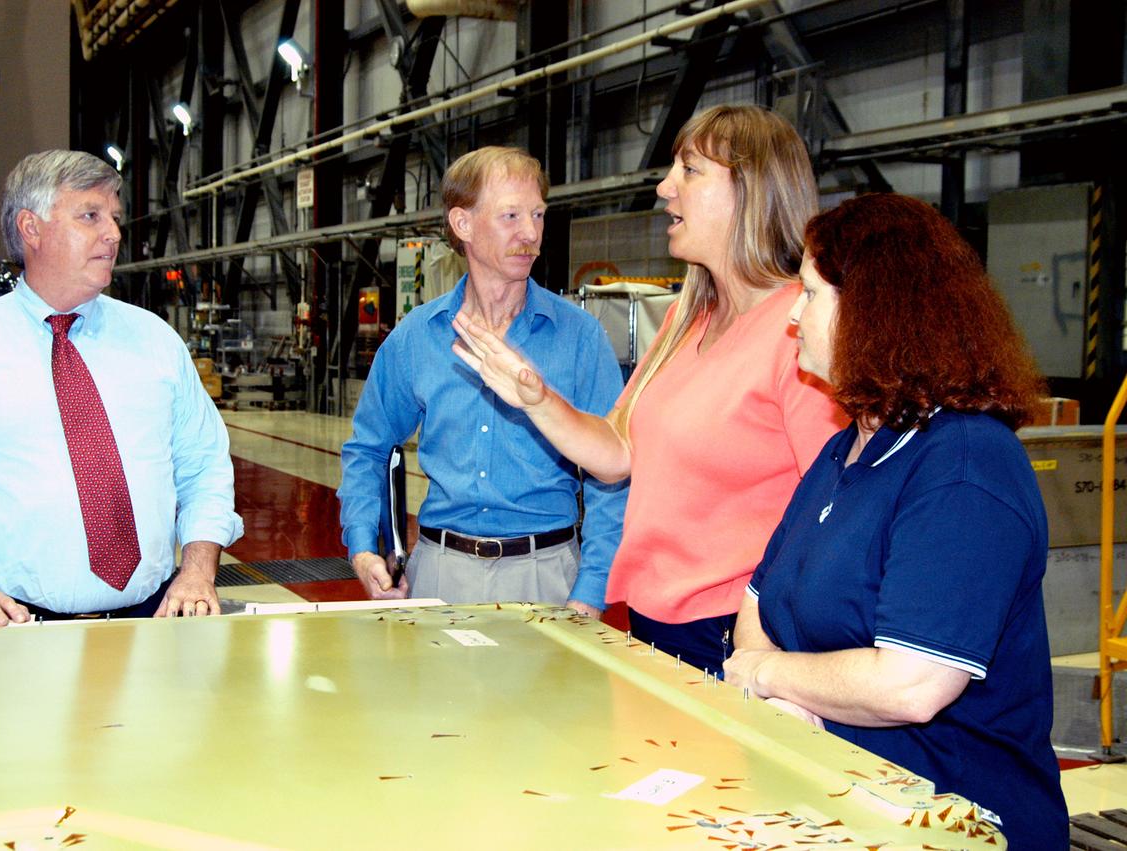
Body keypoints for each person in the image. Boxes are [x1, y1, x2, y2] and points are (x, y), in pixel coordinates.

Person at [722, 193, 1067, 848]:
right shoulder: (845, 449)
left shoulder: (965, 466)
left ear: (874, 311)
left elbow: (912, 682)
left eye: (810, 295)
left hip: (956, 820)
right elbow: (757, 615)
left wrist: (766, 678)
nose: (792, 317)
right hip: (838, 793)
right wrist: (791, 699)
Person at [452, 106, 844, 668]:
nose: (665, 188)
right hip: (657, 617)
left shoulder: (795, 333)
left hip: (736, 631)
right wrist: (535, 397)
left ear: (749, 192)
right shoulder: (690, 323)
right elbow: (616, 453)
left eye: (689, 171)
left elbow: (837, 512)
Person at [0, 150, 243, 626]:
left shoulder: (156, 341)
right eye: (90, 216)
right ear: (31, 229)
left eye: (113, 217)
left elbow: (205, 466)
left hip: (151, 621)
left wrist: (197, 573)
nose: (113, 233)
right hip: (11, 629)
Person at [338, 146, 626, 617]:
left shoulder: (579, 338)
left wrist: (592, 588)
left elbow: (611, 475)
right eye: (510, 216)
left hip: (547, 575)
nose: (530, 233)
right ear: (463, 225)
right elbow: (368, 447)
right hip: (439, 574)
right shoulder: (418, 337)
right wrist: (364, 546)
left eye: (537, 214)